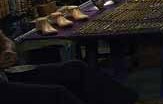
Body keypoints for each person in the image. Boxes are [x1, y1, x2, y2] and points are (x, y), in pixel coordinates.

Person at [1, 30, 139, 104]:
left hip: (6, 74)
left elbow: (5, 40)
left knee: (76, 69)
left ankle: (129, 101)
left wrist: (8, 50)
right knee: (57, 95)